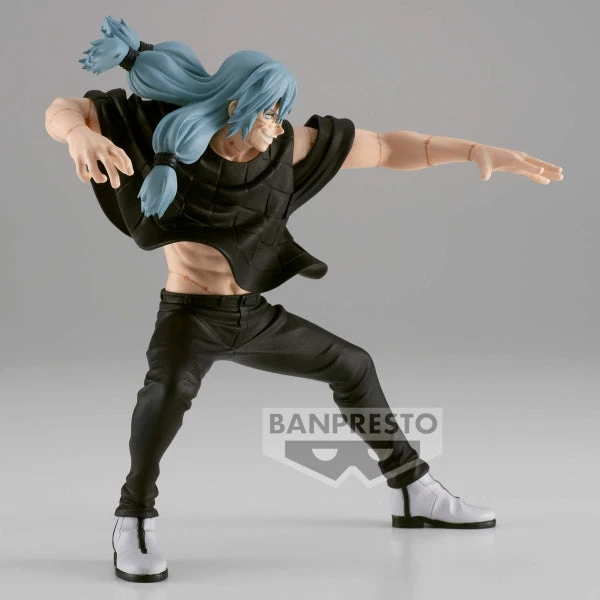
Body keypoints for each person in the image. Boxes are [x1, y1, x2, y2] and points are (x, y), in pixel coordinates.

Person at [45, 16, 563, 583]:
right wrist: (78, 135)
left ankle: (414, 490)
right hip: (191, 316)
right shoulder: (165, 133)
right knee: (166, 393)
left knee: (353, 365)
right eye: (267, 113)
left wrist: (473, 150)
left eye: (280, 113)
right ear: (234, 106)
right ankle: (133, 519)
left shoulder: (287, 149)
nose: (276, 125)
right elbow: (63, 108)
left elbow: (386, 147)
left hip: (254, 317)